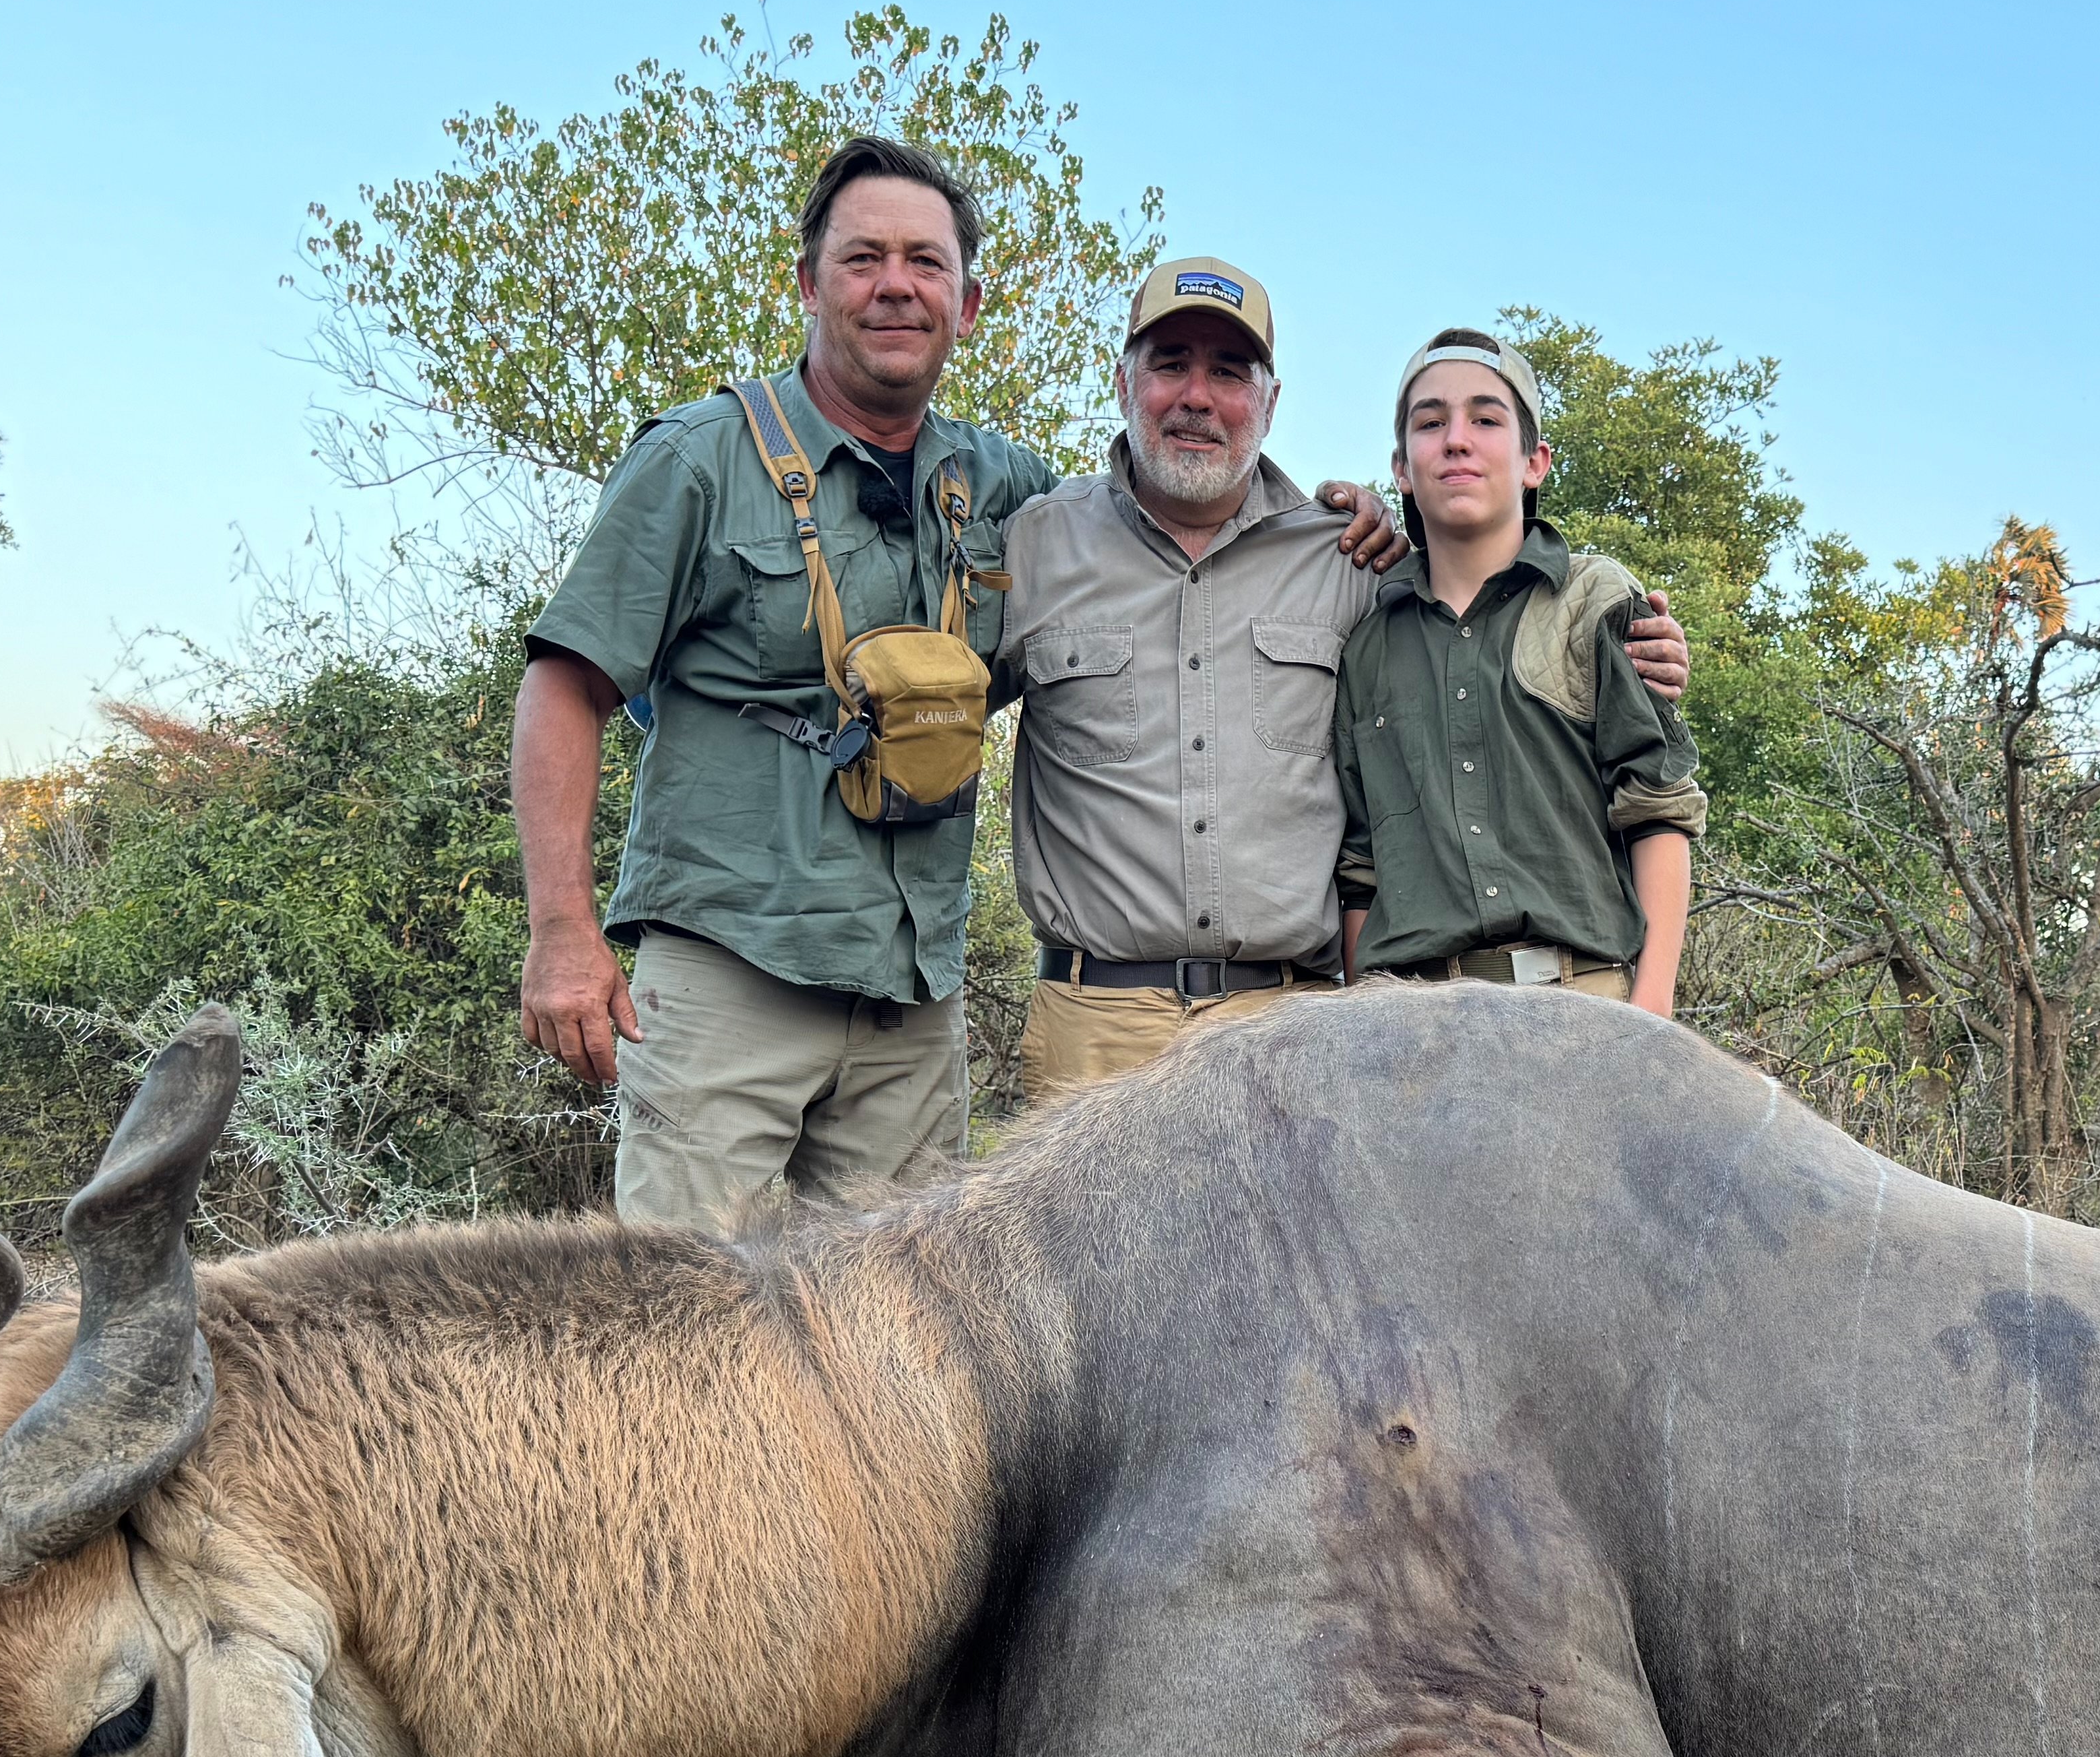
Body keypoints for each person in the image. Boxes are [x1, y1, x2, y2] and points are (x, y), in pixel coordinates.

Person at [508, 148, 1396, 1218]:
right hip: (730, 973)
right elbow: (567, 682)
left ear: (966, 304)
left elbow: (1152, 536)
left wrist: (1371, 520)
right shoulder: (701, 458)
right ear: (808, 283)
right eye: (865, 257)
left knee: (901, 1355)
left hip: (911, 1005)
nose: (896, 285)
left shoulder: (1006, 490)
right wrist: (564, 928)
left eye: (925, 262)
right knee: (691, 1331)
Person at [991, 262, 1686, 1109]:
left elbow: (1475, 628)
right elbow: (935, 721)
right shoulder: (1029, 549)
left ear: (1272, 401)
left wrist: (1638, 644)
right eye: (1170, 363)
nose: (1197, 396)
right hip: (1093, 1028)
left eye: (1229, 372)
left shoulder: (1350, 559)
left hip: (1293, 1027)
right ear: (1123, 382)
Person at [1334, 329, 1703, 1012]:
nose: (1456, 439)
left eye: (1485, 418)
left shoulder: (1597, 601)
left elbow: (1657, 813)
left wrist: (1651, 1020)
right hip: (1411, 1027)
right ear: (1402, 469)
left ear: (1535, 462)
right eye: (1431, 422)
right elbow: (1360, 875)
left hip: (1581, 1009)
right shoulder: (1367, 647)